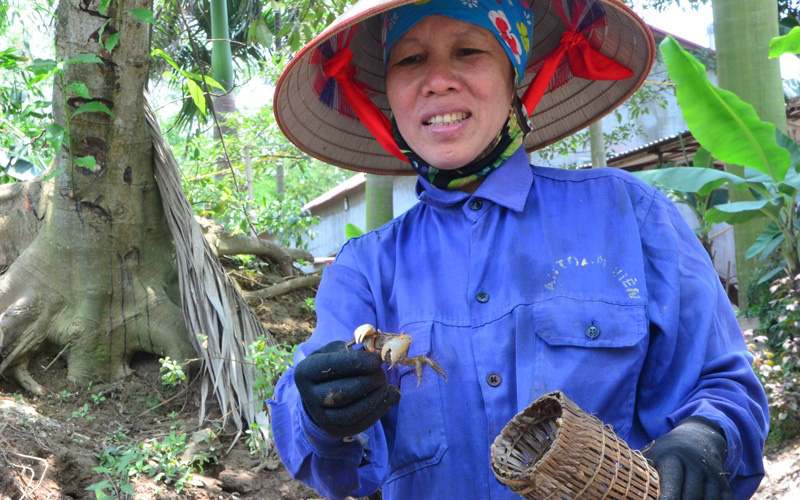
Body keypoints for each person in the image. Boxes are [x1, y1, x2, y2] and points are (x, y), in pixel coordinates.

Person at [268, 1, 770, 499]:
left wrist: (701, 437)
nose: (438, 80)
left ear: (515, 78)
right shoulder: (365, 268)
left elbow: (722, 384)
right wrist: (318, 412)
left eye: (468, 50)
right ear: (388, 96)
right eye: (410, 60)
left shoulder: (629, 213)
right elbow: (324, 458)